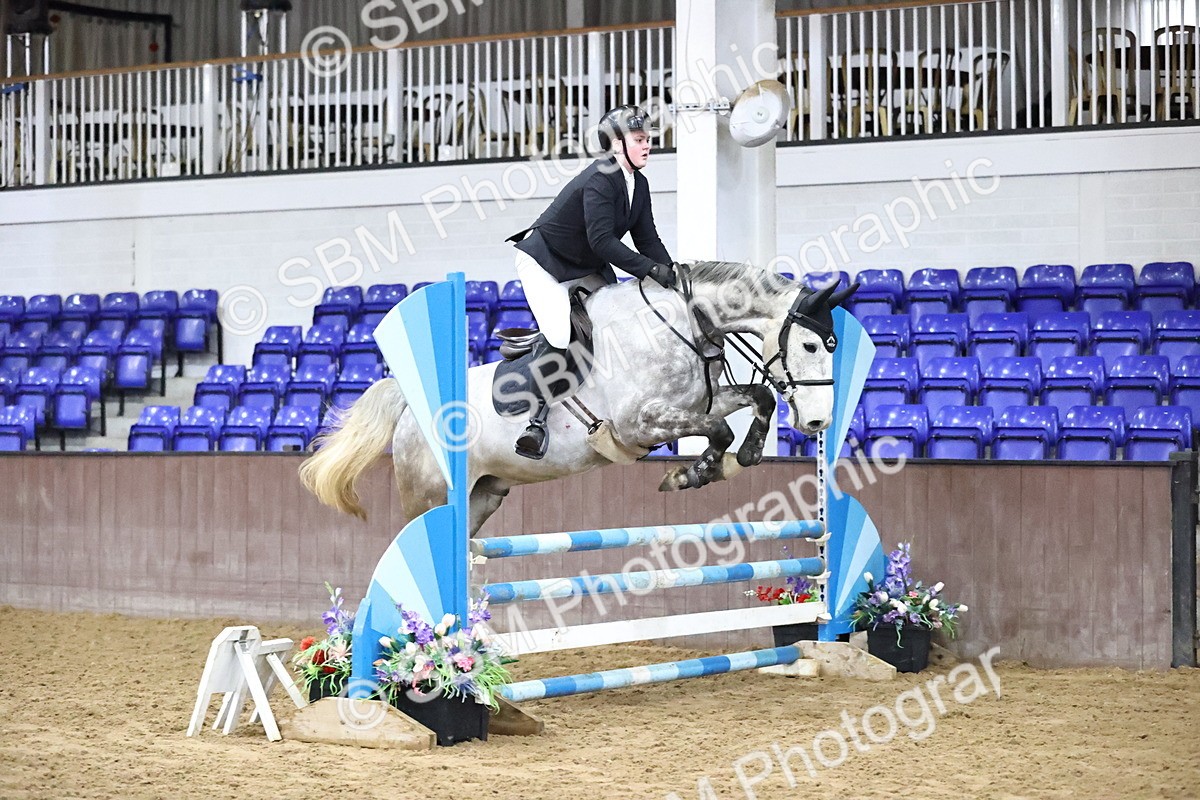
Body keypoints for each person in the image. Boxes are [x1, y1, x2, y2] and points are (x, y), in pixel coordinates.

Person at [505, 104, 678, 460]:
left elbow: (647, 240)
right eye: (640, 139)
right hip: (546, 262)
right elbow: (603, 241)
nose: (648, 146)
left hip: (584, 263)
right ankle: (535, 423)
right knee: (560, 333)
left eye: (648, 139)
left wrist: (672, 274)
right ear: (617, 144)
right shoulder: (601, 177)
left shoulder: (638, 184)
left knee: (621, 321)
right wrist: (648, 270)